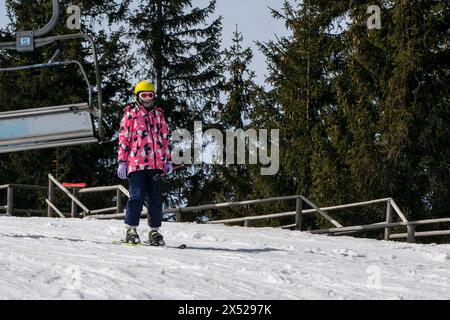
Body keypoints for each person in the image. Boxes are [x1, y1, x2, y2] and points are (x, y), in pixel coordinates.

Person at [117, 80, 173, 245]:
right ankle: (131, 229)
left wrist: (167, 161)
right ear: (137, 97)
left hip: (156, 166)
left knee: (155, 198)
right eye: (144, 95)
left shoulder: (159, 115)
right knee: (137, 197)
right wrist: (122, 161)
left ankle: (154, 231)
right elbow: (123, 139)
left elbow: (165, 140)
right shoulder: (130, 115)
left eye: (150, 95)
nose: (147, 99)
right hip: (136, 164)